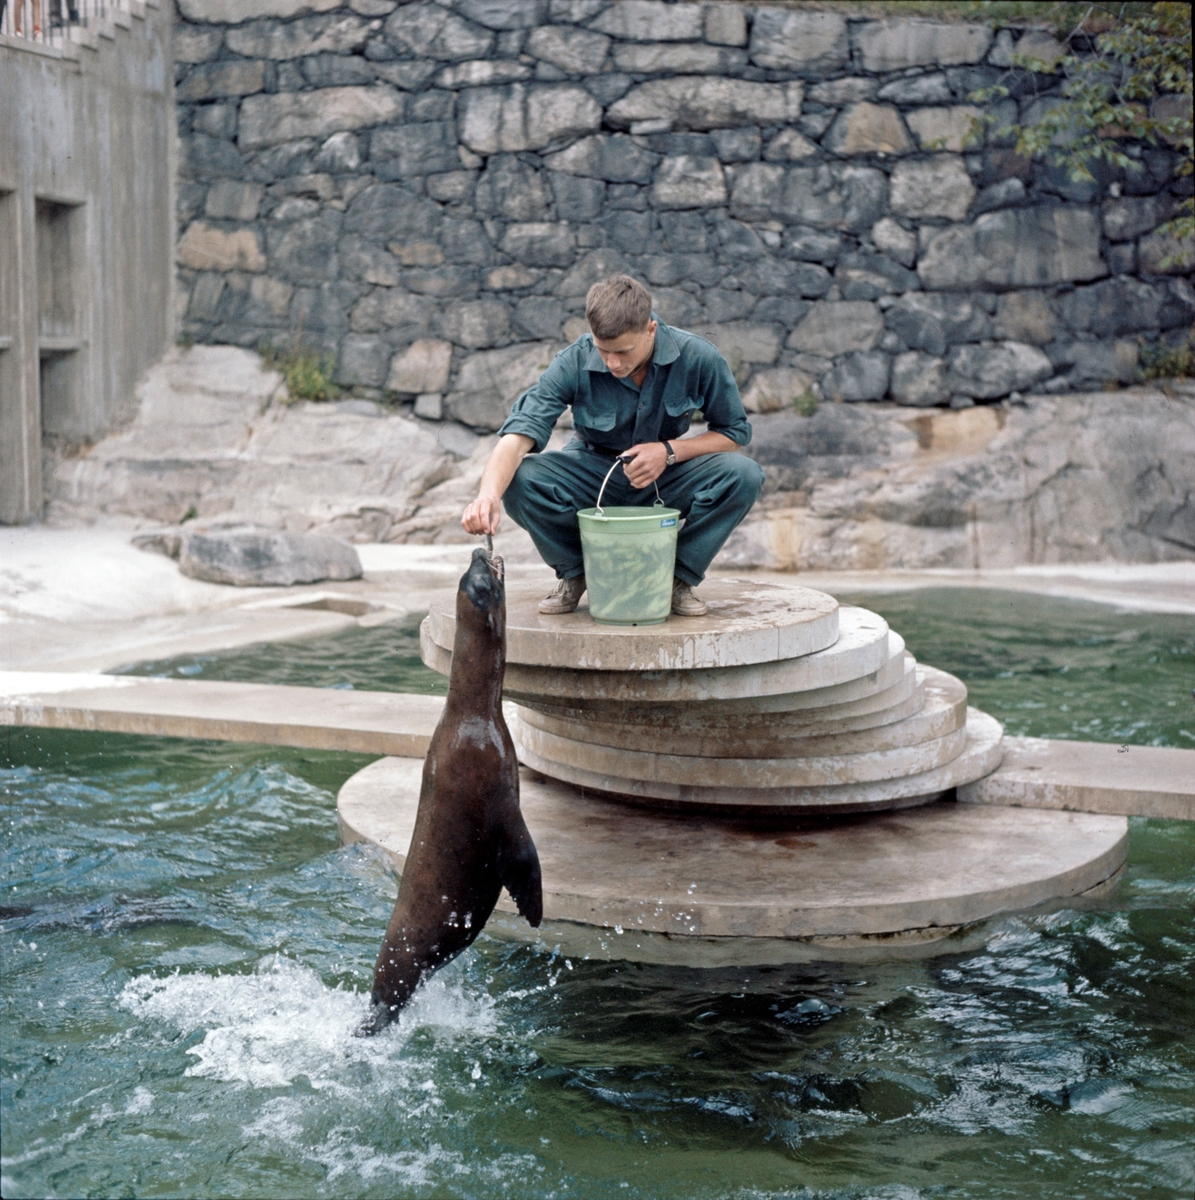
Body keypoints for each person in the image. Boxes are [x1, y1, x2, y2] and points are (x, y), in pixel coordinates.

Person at [461, 275, 764, 617]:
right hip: (592, 475)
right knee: (518, 479)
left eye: (623, 351)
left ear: (650, 330)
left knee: (745, 475)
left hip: (667, 476)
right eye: (603, 351)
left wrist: (667, 451)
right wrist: (486, 495)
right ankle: (575, 573)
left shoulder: (698, 357)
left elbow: (734, 433)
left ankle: (677, 579)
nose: (613, 363)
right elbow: (516, 438)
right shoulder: (573, 360)